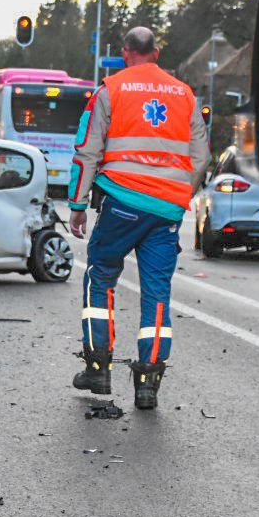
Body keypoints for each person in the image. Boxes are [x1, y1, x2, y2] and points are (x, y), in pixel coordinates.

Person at [66, 27, 208, 409]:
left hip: (123, 203)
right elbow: (201, 157)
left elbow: (86, 151)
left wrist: (77, 206)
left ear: (126, 52)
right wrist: (179, 195)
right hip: (166, 212)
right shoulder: (185, 94)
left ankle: (98, 368)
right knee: (157, 293)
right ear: (156, 53)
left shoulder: (110, 89)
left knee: (101, 277)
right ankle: (148, 382)